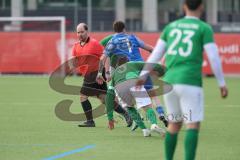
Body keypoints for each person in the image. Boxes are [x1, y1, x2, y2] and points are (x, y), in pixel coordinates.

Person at [137, 0, 228, 159]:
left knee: (174, 124)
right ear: (201, 7)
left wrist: (142, 75)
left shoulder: (171, 27)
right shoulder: (204, 28)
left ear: (184, 6)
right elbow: (213, 57)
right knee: (192, 125)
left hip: (170, 82)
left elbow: (156, 54)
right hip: (190, 82)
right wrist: (221, 83)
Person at [97, 21, 166, 136]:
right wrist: (162, 68)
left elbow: (103, 57)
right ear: (124, 29)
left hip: (120, 79)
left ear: (114, 30)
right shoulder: (132, 38)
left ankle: (144, 129)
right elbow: (150, 51)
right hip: (136, 72)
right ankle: (155, 121)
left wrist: (102, 73)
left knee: (128, 106)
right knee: (149, 99)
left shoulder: (111, 41)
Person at [71, 23, 132, 127]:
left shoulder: (94, 44)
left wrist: (106, 72)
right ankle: (126, 114)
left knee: (83, 96)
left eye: (82, 32)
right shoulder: (76, 46)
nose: (80, 34)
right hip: (89, 74)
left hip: (95, 74)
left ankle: (90, 121)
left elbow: (105, 56)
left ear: (87, 32)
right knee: (104, 98)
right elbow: (74, 60)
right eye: (78, 32)